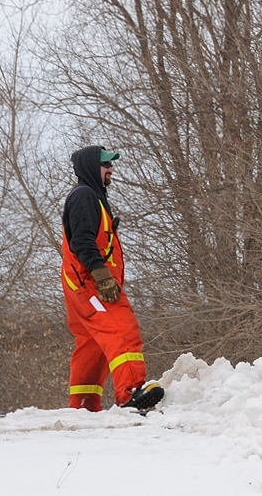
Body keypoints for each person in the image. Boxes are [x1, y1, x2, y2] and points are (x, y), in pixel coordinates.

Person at [60, 145, 164, 412]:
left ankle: (83, 404)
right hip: (92, 284)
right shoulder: (84, 195)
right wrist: (102, 276)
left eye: (111, 165)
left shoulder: (92, 197)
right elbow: (82, 241)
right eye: (106, 165)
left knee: (92, 344)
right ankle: (130, 393)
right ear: (91, 167)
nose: (111, 170)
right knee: (121, 328)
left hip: (80, 285)